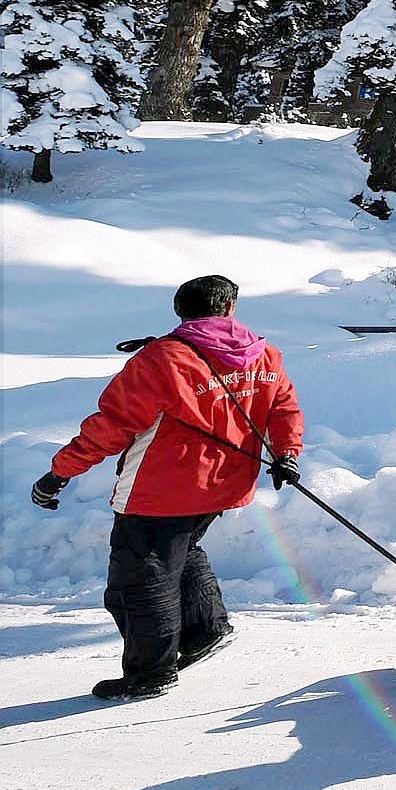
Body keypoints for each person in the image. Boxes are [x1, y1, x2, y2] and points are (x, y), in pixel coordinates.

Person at [27, 275, 304, 702]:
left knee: (139, 577)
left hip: (161, 487)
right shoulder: (264, 353)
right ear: (230, 308)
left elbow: (112, 426)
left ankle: (150, 672)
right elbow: (283, 406)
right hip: (225, 483)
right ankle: (204, 629)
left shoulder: (162, 359)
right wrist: (287, 454)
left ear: (181, 311)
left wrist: (59, 472)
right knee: (182, 547)